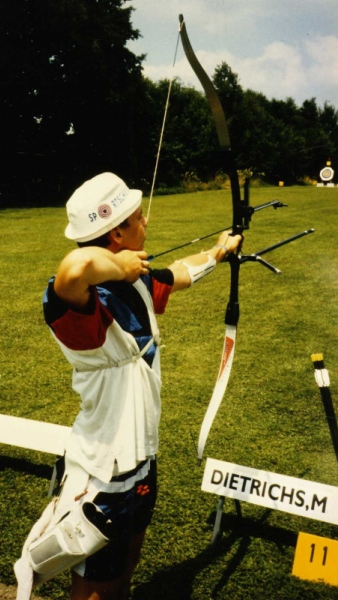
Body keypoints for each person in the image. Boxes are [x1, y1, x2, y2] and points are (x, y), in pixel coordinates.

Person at [25, 172, 242, 600]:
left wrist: (219, 251)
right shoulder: (80, 310)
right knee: (95, 588)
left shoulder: (135, 284)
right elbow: (77, 265)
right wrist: (119, 267)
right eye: (138, 217)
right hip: (103, 477)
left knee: (125, 565)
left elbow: (178, 273)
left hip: (141, 463)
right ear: (118, 232)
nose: (147, 222)